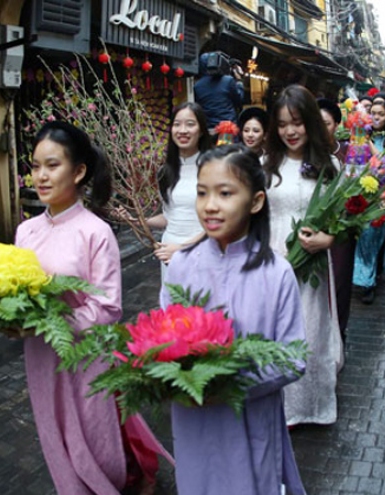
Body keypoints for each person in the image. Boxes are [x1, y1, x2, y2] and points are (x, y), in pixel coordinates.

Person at [15, 121, 168, 495]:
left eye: (52, 165)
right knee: (54, 432)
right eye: (35, 166)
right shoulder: (26, 232)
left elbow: (107, 307)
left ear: (79, 171)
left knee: (95, 435)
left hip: (86, 357)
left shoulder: (95, 232)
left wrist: (55, 321)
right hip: (41, 355)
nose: (41, 176)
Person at [161, 145, 307, 495]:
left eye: (225, 193)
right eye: (202, 192)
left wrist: (230, 382)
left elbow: (292, 357)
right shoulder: (181, 265)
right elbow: (163, 339)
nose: (210, 205)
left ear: (255, 202)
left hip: (250, 418)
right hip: (193, 416)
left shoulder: (277, 273)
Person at [264, 84, 343, 426]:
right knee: (274, 333)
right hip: (269, 260)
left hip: (311, 265)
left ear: (309, 122)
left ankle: (309, 406)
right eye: (282, 124)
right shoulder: (264, 164)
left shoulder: (330, 165)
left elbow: (343, 219)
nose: (290, 131)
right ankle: (275, 408)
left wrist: (328, 239)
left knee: (309, 333)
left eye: (296, 122)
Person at [145, 102, 213, 280]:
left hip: (204, 250)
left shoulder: (214, 168)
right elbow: (169, 216)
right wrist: (138, 221)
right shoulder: (164, 173)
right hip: (170, 252)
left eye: (190, 124)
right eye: (177, 124)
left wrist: (183, 248)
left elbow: (223, 221)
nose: (182, 130)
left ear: (201, 130)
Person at [353, 101, 385, 305]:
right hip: (364, 191)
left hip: (383, 194)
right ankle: (366, 281)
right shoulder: (359, 135)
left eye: (381, 114)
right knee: (367, 236)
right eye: (373, 114)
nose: (377, 117)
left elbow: (383, 161)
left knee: (380, 235)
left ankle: (373, 274)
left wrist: (368, 141)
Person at [316, 97, 355, 339]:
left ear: (337, 125)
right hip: (312, 229)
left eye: (326, 123)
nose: (321, 129)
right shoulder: (305, 154)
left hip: (341, 230)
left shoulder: (350, 152)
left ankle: (338, 335)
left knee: (339, 282)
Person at [193, 52, 244, 128]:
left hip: (209, 129)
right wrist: (239, 82)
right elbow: (239, 100)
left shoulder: (197, 86)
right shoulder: (228, 80)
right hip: (228, 128)